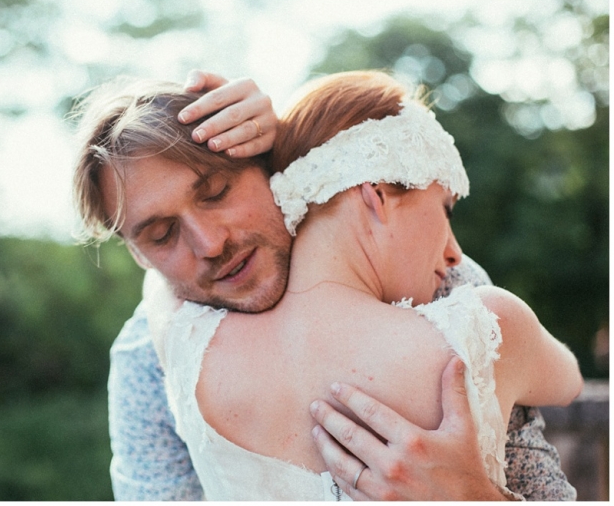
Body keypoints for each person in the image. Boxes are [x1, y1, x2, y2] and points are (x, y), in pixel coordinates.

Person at [73, 71, 579, 500]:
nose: (208, 244)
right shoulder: (147, 357)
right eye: (161, 235)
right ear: (138, 255)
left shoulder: (444, 287)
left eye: (217, 192)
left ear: (269, 167)